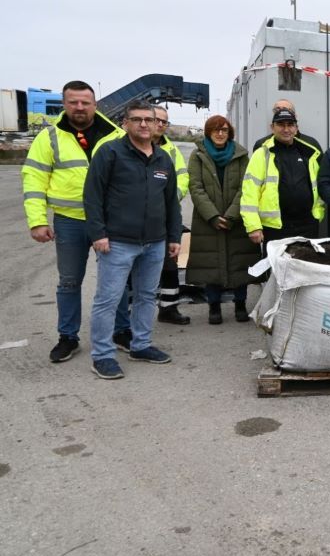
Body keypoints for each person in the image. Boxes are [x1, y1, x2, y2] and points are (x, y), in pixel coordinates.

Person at [21, 80, 129, 363]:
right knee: (69, 282)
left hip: (110, 222)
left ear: (95, 104)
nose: (79, 107)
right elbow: (34, 179)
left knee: (116, 280)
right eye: (73, 102)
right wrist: (37, 220)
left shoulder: (117, 136)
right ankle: (68, 337)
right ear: (64, 104)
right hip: (70, 221)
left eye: (85, 102)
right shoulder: (49, 137)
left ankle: (121, 331)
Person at [83, 101, 181, 379]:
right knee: (108, 299)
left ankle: (141, 345)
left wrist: (173, 237)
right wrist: (98, 234)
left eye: (149, 119)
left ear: (156, 124)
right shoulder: (110, 153)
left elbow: (171, 202)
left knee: (146, 296)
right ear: (125, 123)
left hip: (155, 243)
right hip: (118, 242)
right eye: (137, 119)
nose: (144, 124)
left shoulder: (163, 159)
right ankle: (102, 355)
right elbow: (92, 196)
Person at [186, 115, 261, 325]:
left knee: (239, 263)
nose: (220, 134)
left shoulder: (241, 155)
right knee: (212, 264)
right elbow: (196, 187)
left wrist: (231, 215)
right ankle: (214, 306)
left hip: (236, 219)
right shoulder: (197, 155)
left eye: (224, 130)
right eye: (216, 130)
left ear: (230, 133)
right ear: (208, 132)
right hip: (207, 221)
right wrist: (212, 215)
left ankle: (240, 304)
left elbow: (246, 187)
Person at [241, 108, 325, 246]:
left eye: (290, 125)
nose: (286, 129)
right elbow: (249, 193)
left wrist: (318, 214)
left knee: (307, 260)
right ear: (272, 127)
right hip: (275, 228)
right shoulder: (262, 154)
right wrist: (253, 226)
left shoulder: (309, 153)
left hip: (307, 225)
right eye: (281, 124)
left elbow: (320, 186)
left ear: (296, 128)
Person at [151, 106, 191, 325]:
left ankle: (168, 308)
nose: (160, 125)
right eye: (156, 119)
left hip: (166, 215)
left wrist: (170, 197)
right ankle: (125, 317)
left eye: (164, 122)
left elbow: (182, 177)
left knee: (170, 263)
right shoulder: (126, 145)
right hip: (136, 218)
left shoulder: (172, 150)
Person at [252, 99, 321, 153]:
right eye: (277, 110)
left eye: (286, 109)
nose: (281, 113)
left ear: (295, 116)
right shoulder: (261, 145)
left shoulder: (311, 144)